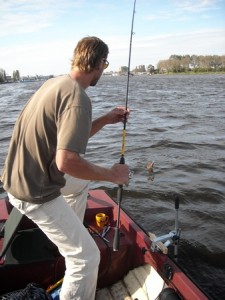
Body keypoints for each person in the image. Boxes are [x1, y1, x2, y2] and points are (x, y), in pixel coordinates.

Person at [1, 36, 130, 300]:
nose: (103, 71)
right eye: (105, 64)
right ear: (98, 64)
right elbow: (66, 162)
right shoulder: (78, 98)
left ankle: (67, 240)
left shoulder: (55, 84)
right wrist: (112, 174)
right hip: (34, 191)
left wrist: (105, 119)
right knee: (87, 257)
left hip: (15, 179)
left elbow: (67, 141)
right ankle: (74, 252)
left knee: (80, 183)